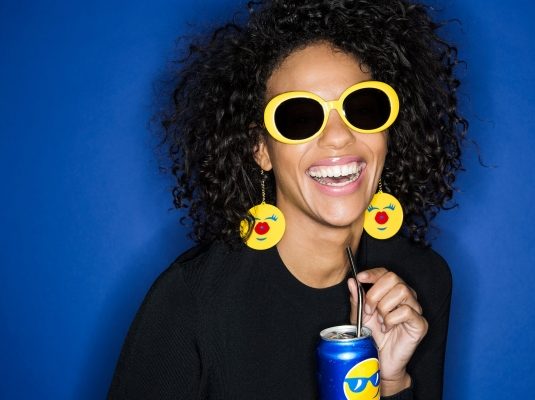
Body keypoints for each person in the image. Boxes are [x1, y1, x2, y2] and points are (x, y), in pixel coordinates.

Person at [108, 0, 466, 399]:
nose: (338, 136)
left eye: (363, 109)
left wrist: (391, 381)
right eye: (299, 118)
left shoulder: (420, 284)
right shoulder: (192, 301)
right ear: (260, 148)